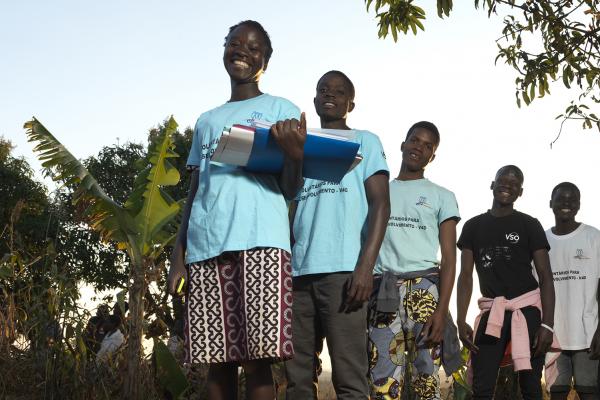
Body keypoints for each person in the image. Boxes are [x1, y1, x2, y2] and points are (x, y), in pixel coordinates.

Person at [166, 20, 306, 400]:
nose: (242, 50)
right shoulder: (207, 121)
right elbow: (195, 192)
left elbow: (291, 188)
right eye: (235, 43)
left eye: (254, 46)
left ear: (266, 60)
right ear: (224, 49)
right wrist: (179, 257)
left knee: (259, 360)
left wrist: (294, 155)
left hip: (261, 242)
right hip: (207, 247)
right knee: (217, 360)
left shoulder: (283, 110)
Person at [285, 70, 390, 399]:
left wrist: (365, 267)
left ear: (351, 103)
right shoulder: (300, 146)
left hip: (344, 274)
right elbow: (288, 201)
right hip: (298, 274)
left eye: (339, 91)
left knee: (349, 377)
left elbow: (381, 205)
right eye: (323, 89)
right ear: (315, 99)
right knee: (298, 379)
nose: (330, 94)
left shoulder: (365, 141)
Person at [368, 121, 461, 400]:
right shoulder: (378, 189)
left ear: (433, 156)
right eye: (415, 140)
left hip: (425, 290)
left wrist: (442, 311)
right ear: (403, 144)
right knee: (382, 376)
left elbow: (449, 257)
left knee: (426, 377)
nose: (419, 147)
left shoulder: (443, 196)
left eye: (427, 145)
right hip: (384, 289)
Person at [456, 165, 556, 400]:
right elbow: (465, 276)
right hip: (493, 312)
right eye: (503, 181)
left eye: (514, 184)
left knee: (531, 387)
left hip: (527, 311)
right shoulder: (473, 226)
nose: (507, 186)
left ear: (520, 192)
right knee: (482, 386)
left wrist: (547, 325)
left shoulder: (529, 224)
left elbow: (545, 276)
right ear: (492, 185)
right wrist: (461, 320)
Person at [545, 182, 600, 399]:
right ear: (551, 203)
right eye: (561, 199)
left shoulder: (594, 237)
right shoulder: (542, 240)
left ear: (578, 205)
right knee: (557, 394)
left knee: (589, 393)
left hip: (588, 337)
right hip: (553, 337)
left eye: (572, 200)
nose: (566, 203)